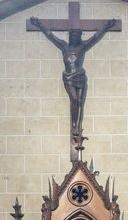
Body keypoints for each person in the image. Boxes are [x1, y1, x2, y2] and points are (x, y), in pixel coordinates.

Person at [29, 16, 118, 146]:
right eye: (72, 35)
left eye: (76, 36)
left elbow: (95, 37)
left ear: (79, 37)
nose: (74, 37)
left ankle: (78, 126)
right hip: (69, 77)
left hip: (80, 76)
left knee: (80, 102)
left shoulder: (82, 47)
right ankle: (74, 125)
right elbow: (51, 36)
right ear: (70, 36)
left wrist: (106, 26)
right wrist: (40, 24)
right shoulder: (64, 47)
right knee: (74, 99)